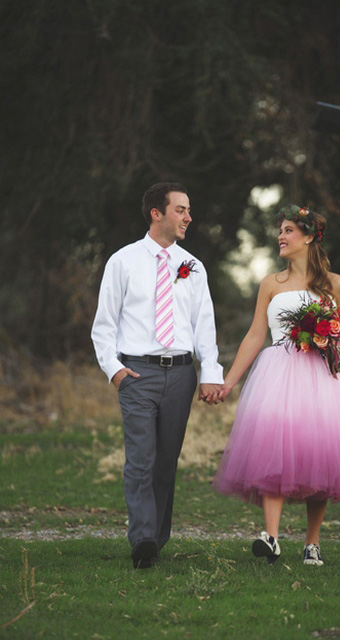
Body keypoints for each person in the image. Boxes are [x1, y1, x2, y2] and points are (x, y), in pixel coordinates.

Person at [213, 204, 340, 566]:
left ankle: (312, 542)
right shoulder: (271, 283)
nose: (280, 237)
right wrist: (229, 381)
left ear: (310, 236)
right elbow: (255, 335)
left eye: (288, 231)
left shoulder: (336, 284)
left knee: (321, 454)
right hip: (277, 373)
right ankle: (271, 537)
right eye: (280, 231)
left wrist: (331, 352)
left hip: (323, 375)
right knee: (273, 446)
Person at [91, 182, 223, 569]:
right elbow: (104, 325)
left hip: (182, 376)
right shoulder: (123, 261)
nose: (188, 217)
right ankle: (143, 539)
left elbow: (205, 327)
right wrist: (115, 372)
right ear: (157, 213)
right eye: (181, 210)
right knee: (141, 460)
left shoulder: (193, 267)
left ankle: (156, 539)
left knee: (166, 462)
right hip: (137, 374)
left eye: (188, 210)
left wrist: (210, 373)